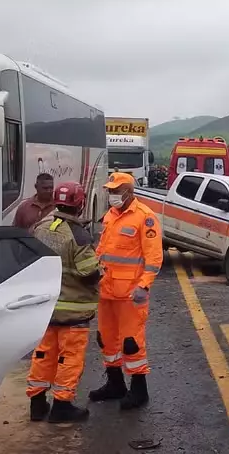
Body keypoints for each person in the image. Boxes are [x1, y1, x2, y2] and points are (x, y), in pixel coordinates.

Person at [26, 181, 101, 423]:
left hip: (45, 310)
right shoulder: (78, 235)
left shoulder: (42, 226)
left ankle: (37, 405)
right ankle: (61, 405)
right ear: (79, 204)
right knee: (69, 358)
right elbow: (90, 274)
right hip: (73, 313)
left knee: (43, 355)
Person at [90, 171, 163, 410]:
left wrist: (144, 285)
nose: (112, 195)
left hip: (131, 294)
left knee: (132, 342)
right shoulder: (110, 216)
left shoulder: (145, 218)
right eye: (110, 191)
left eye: (116, 191)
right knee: (107, 340)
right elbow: (101, 250)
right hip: (106, 290)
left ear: (129, 192)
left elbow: (154, 257)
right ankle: (115, 384)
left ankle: (139, 390)